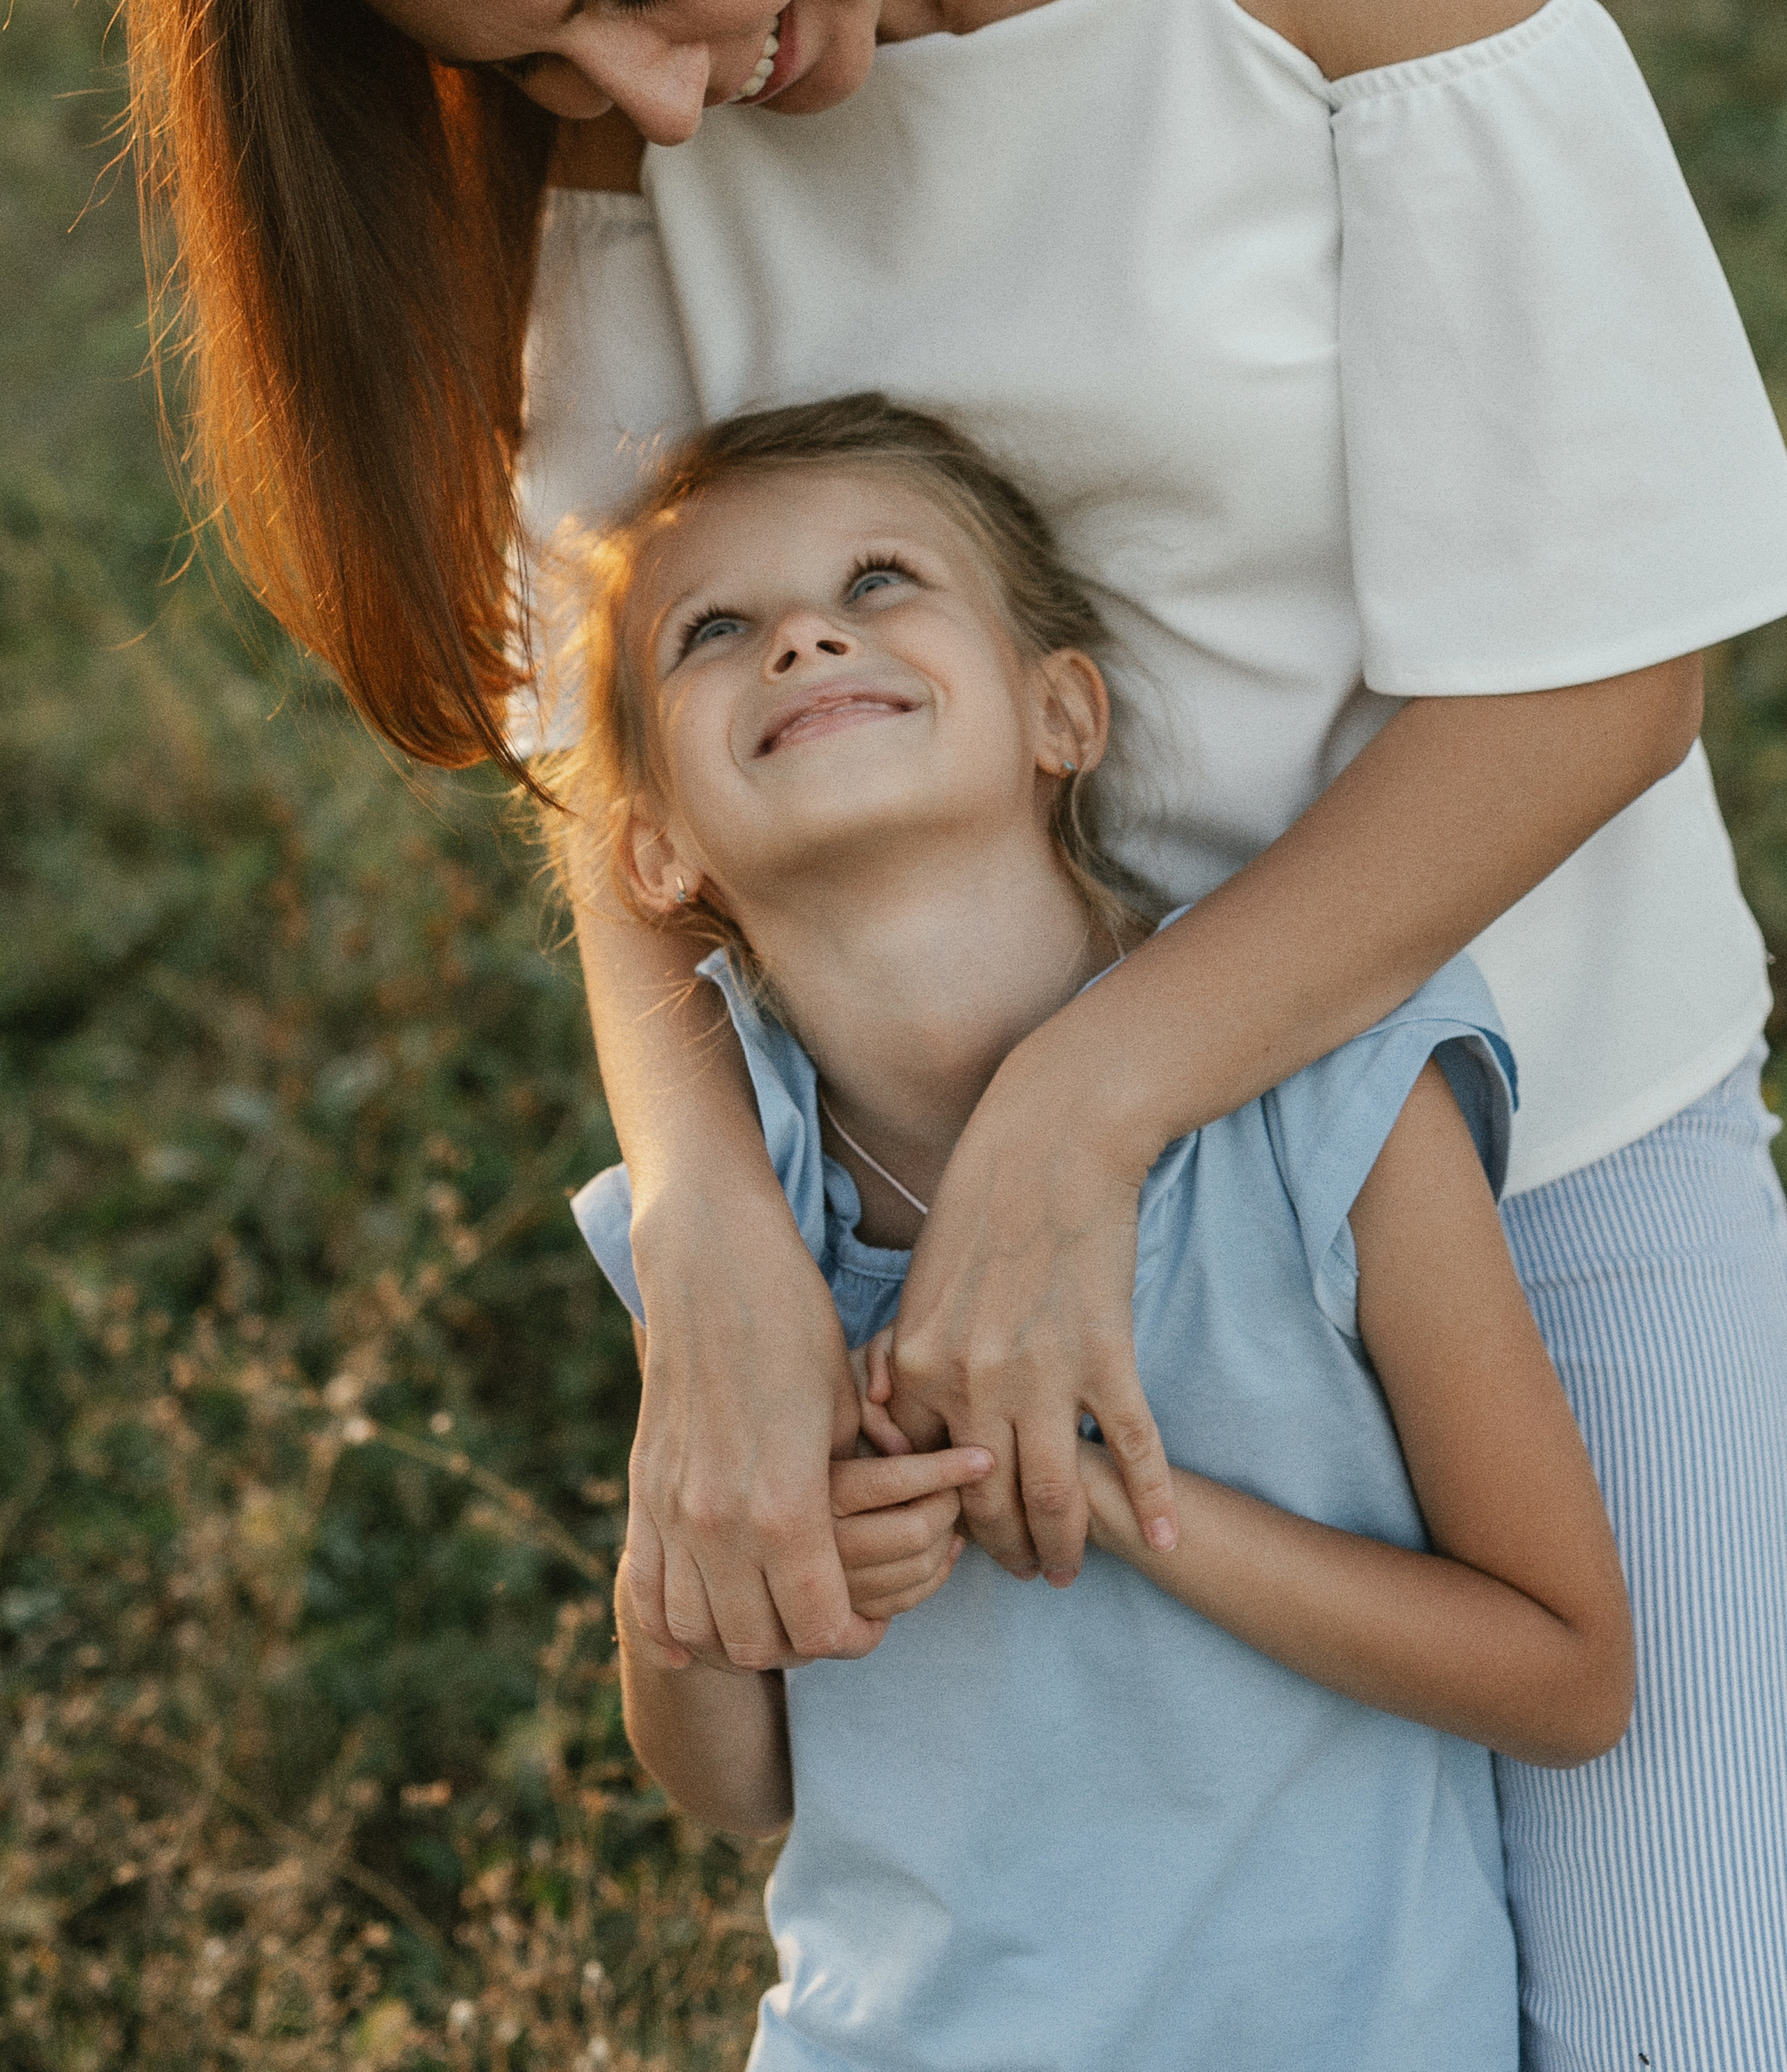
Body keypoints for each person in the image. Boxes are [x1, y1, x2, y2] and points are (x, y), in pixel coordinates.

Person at [96, 0, 1787, 2068]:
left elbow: (1604, 662)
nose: (655, 102)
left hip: (1545, 1146)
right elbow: (613, 759)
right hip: (928, 1236)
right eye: (554, 64)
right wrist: (713, 1240)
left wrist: (1092, 1111)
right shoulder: (591, 101)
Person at [558, 393, 1634, 2071]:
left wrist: (1121, 1508)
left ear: (1061, 711)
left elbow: (1565, 1677)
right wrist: (727, 1572)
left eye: (879, 580)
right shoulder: (732, 1223)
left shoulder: (1328, 1109)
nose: (804, 638)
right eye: (713, 630)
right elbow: (730, 1783)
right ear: (650, 850)